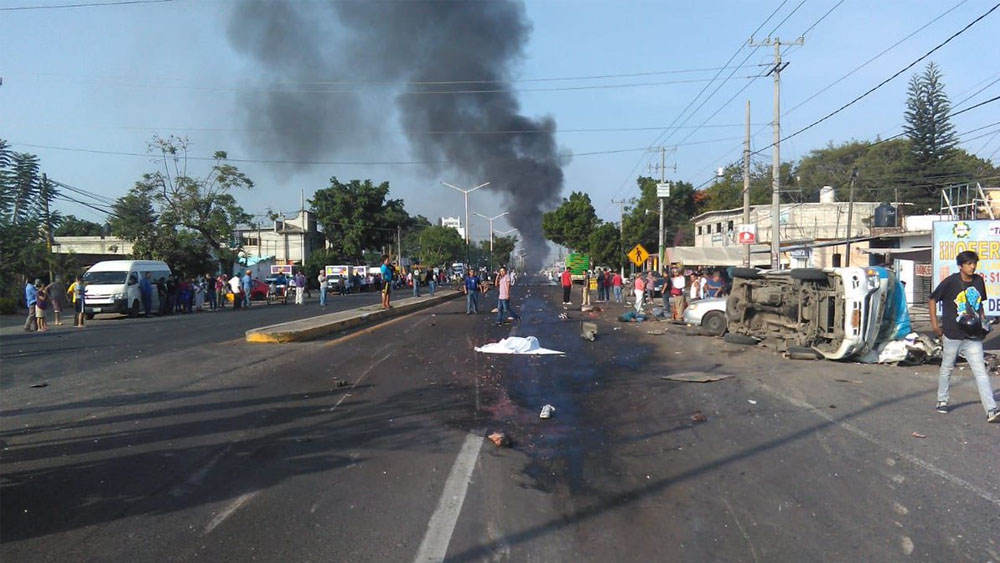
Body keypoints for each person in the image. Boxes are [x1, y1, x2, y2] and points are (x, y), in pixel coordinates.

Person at [928, 250, 999, 423]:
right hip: (952, 334)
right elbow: (932, 299)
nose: (972, 266)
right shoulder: (951, 282)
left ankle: (991, 410)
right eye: (968, 263)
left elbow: (979, 304)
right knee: (947, 368)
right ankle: (942, 400)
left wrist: (982, 322)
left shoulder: (978, 281)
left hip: (973, 336)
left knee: (980, 372)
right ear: (961, 266)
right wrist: (935, 326)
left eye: (974, 263)